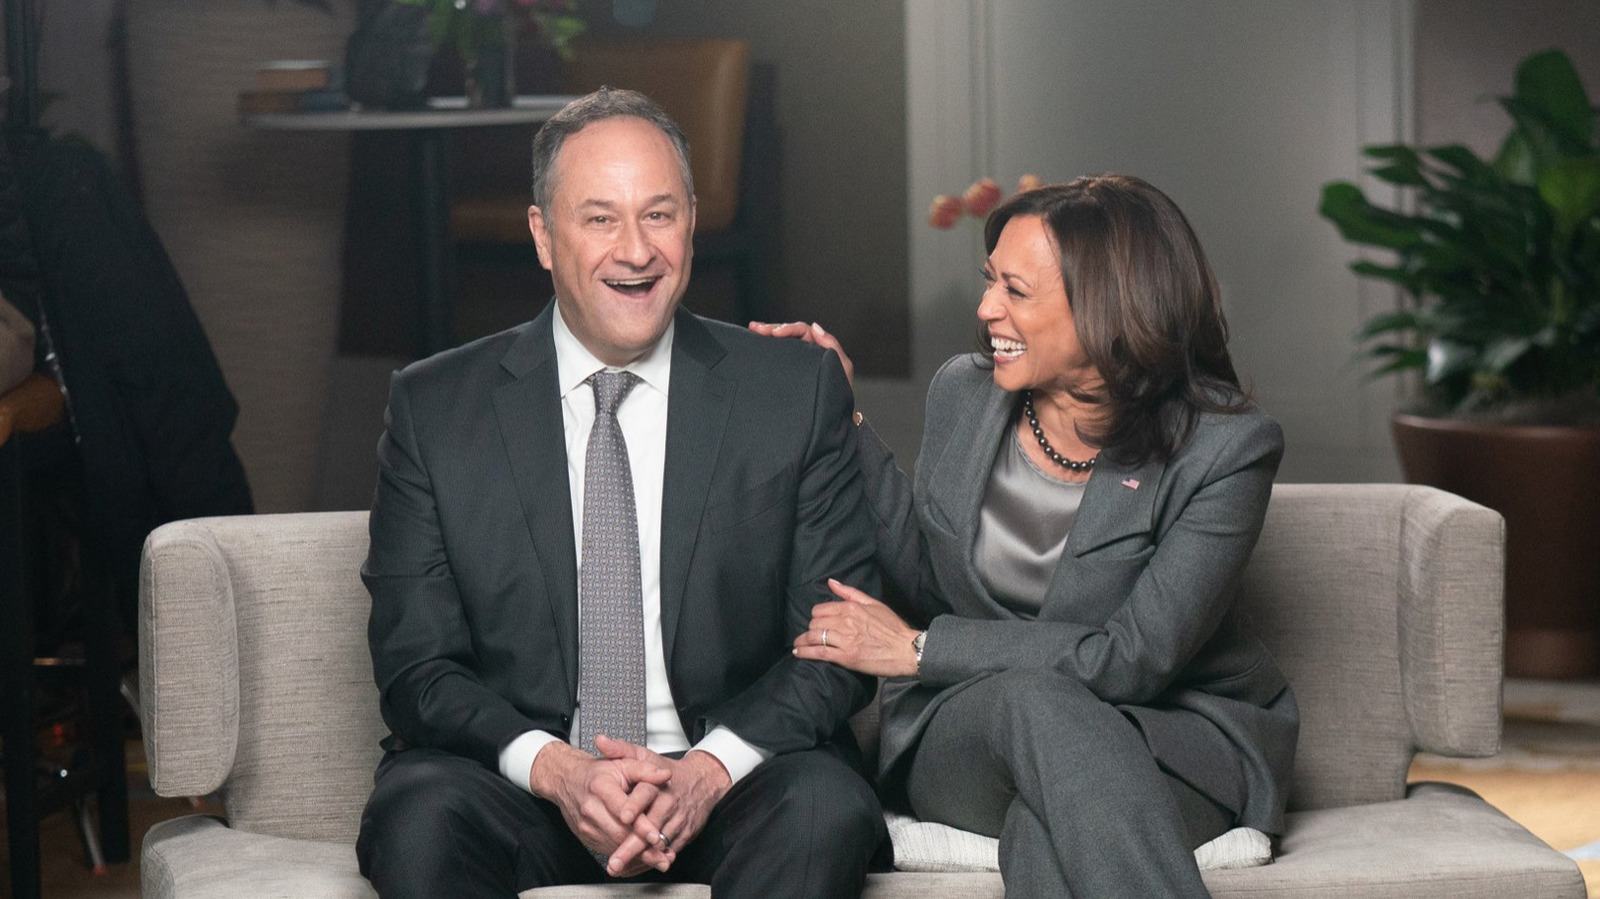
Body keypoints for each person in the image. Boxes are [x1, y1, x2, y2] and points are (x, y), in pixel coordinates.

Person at [357, 88, 886, 899]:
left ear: (692, 222)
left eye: (659, 215)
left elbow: (834, 645)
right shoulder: (435, 408)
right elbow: (416, 663)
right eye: (600, 218)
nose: (636, 251)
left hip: (730, 781)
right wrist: (559, 771)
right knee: (417, 815)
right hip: (527, 788)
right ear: (543, 234)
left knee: (824, 806)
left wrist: (707, 771)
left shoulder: (794, 390)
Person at [752, 174, 1299, 897]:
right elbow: (927, 578)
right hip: (970, 730)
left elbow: (1132, 659)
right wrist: (840, 414)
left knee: (1046, 830)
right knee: (1033, 702)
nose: (986, 309)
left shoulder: (1226, 449)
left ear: (1109, 309)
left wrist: (918, 649)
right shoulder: (963, 392)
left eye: (1015, 290)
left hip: (1167, 739)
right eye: (990, 281)